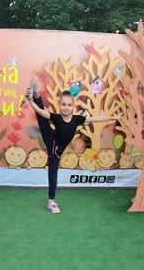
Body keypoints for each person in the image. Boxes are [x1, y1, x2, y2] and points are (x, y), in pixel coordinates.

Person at [25, 80, 119, 214]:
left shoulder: (77, 119)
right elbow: (40, 111)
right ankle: (51, 202)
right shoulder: (57, 117)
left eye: (69, 105)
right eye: (63, 104)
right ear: (60, 105)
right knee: (53, 173)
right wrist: (30, 101)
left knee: (43, 120)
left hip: (57, 146)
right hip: (52, 146)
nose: (66, 107)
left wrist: (113, 117)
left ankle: (37, 96)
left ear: (73, 106)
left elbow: (94, 119)